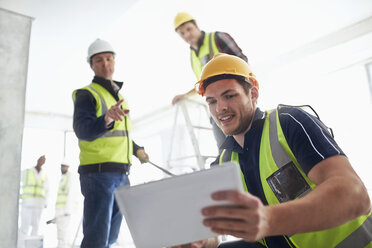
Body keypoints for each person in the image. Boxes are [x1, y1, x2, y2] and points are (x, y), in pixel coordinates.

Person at [193, 53, 372, 247]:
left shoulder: (289, 123)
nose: (221, 108)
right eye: (212, 101)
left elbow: (355, 196)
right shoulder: (223, 163)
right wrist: (200, 241)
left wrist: (268, 220)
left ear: (252, 94)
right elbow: (215, 232)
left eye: (229, 96)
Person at [72, 38, 150, 248]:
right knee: (96, 241)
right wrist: (106, 119)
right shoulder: (86, 94)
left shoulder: (119, 97)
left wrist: (136, 149)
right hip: (98, 175)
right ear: (92, 65)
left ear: (114, 61)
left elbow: (120, 135)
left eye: (108, 58)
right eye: (99, 60)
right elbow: (82, 130)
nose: (105, 64)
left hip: (121, 174)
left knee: (111, 238)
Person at [172, 12, 249, 149]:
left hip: (234, 100)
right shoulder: (193, 56)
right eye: (182, 33)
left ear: (196, 25)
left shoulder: (217, 38)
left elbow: (243, 63)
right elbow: (203, 83)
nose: (187, 35)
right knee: (225, 149)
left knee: (247, 142)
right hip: (216, 107)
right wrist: (185, 96)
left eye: (189, 29)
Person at [18, 155, 49, 248]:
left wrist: (45, 202)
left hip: (38, 204)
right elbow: (15, 180)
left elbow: (47, 190)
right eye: (41, 159)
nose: (42, 161)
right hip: (27, 203)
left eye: (44, 160)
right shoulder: (27, 172)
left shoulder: (44, 175)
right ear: (38, 160)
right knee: (24, 226)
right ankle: (20, 246)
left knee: (36, 227)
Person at [54, 160, 79, 248]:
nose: (62, 168)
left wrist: (68, 210)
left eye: (64, 166)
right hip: (60, 210)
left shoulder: (70, 177)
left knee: (64, 232)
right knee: (60, 232)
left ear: (68, 167)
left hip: (65, 210)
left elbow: (72, 194)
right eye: (61, 166)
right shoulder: (62, 178)